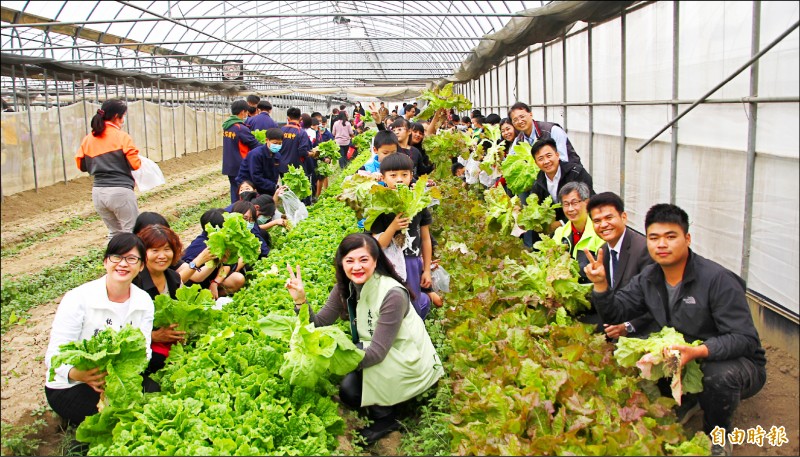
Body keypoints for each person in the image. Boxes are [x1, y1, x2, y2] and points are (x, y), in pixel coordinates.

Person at [584, 204, 767, 456]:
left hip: (736, 363)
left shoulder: (717, 280)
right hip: (684, 355)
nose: (662, 244)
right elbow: (617, 312)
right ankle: (689, 400)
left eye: (670, 237)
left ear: (687, 239)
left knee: (717, 375)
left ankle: (718, 433)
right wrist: (601, 285)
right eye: (654, 238)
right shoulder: (649, 277)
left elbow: (745, 339)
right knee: (639, 349)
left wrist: (700, 351)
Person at [284, 233, 443, 444]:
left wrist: (332, 359)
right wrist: (301, 301)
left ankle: (387, 417)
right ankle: (386, 401)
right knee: (350, 391)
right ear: (341, 263)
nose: (356, 267)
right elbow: (320, 323)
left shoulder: (392, 294)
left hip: (408, 359)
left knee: (351, 388)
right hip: (381, 351)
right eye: (349, 261)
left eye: (363, 260)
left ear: (376, 261)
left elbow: (376, 353)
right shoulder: (345, 287)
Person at [45, 233, 156, 426]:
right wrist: (79, 374)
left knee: (153, 395)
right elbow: (55, 355)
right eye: (116, 257)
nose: (123, 264)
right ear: (106, 261)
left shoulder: (143, 300)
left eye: (131, 259)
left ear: (141, 266)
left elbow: (144, 350)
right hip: (73, 383)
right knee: (113, 419)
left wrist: (119, 374)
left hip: (116, 379)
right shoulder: (78, 298)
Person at [369, 153, 434, 319]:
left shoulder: (418, 203)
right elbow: (378, 245)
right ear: (383, 178)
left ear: (412, 176)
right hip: (388, 264)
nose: (399, 179)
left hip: (412, 262)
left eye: (404, 175)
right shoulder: (379, 206)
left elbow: (426, 239)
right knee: (391, 303)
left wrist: (426, 270)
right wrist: (393, 227)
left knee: (412, 304)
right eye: (393, 175)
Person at [587, 192, 656, 339]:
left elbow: (657, 302)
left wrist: (628, 326)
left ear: (623, 217)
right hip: (614, 323)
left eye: (609, 218)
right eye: (597, 221)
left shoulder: (644, 250)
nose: (603, 225)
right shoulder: (603, 251)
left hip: (643, 332)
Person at [76, 99, 142, 238]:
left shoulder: (88, 139)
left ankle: (112, 259)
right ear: (117, 116)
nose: (123, 120)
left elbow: (81, 166)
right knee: (132, 233)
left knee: (114, 234)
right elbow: (135, 164)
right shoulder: (122, 137)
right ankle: (132, 259)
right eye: (123, 116)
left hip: (98, 192)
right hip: (120, 191)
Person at [133, 225, 186, 376]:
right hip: (144, 343)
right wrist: (153, 336)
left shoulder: (174, 278)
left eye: (167, 249)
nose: (162, 255)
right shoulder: (135, 282)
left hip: (170, 340)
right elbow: (123, 327)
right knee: (158, 361)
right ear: (143, 253)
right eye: (155, 251)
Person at [182, 209, 246, 299]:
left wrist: (215, 282)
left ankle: (215, 297)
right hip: (194, 287)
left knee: (237, 278)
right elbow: (192, 277)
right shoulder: (200, 246)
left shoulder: (223, 242)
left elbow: (228, 264)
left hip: (210, 279)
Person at [552, 182, 605, 282]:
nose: (570, 209)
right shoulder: (560, 233)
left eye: (575, 203)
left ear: (587, 203)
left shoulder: (599, 233)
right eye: (566, 204)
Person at [508, 101, 581, 164]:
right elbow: (510, 160)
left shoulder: (552, 130)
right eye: (515, 120)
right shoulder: (518, 140)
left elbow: (563, 160)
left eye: (522, 116)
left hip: (571, 176)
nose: (520, 121)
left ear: (531, 114)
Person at [222, 99, 260, 205]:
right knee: (244, 192)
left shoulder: (227, 126)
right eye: (246, 112)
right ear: (242, 112)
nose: (247, 114)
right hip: (240, 165)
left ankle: (234, 211)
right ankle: (243, 212)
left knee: (235, 190)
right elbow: (254, 144)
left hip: (229, 165)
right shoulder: (240, 128)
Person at [237, 128, 283, 196]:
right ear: (267, 140)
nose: (277, 146)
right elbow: (256, 177)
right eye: (275, 143)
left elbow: (275, 175)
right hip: (248, 185)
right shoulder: (256, 154)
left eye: (280, 143)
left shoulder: (277, 155)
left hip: (263, 184)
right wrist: (273, 187)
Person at [278, 107, 312, 177]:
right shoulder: (301, 132)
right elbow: (302, 151)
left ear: (288, 118)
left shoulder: (281, 130)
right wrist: (311, 154)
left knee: (285, 186)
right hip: (296, 168)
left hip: (282, 166)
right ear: (300, 119)